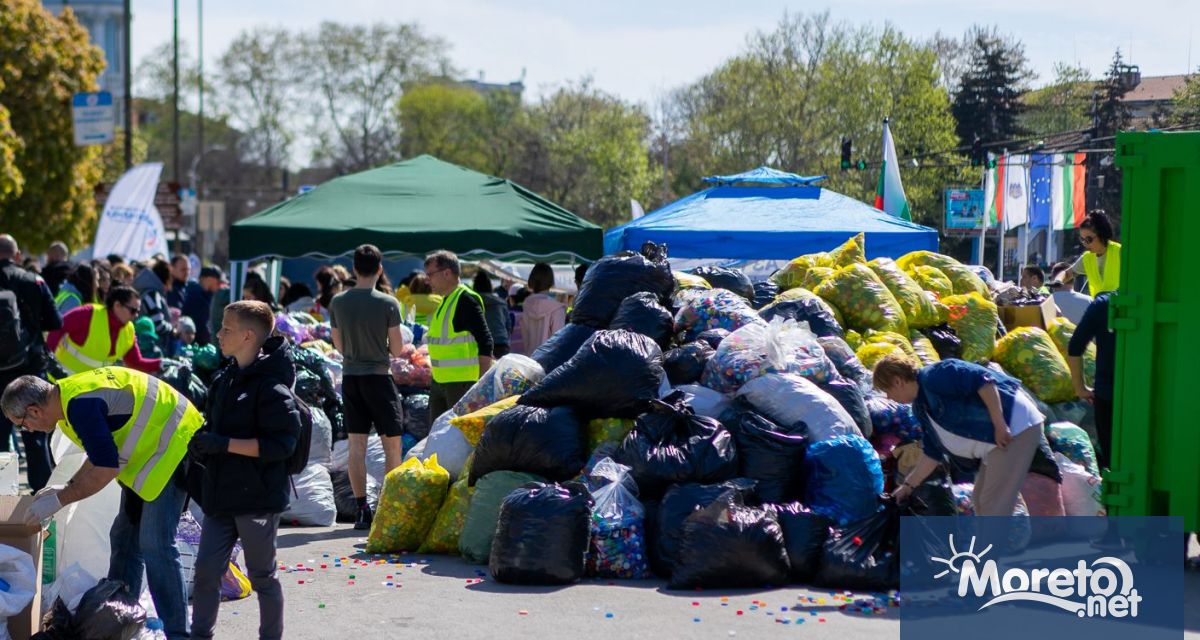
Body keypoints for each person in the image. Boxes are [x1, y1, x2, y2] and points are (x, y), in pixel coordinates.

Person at [0, 368, 203, 638]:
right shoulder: (68, 399)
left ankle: (178, 633)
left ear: (34, 411)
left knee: (156, 544)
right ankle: (119, 619)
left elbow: (105, 468)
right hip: (150, 453)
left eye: (22, 423)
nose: (27, 429)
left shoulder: (79, 406)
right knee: (123, 538)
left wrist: (61, 499)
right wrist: (68, 486)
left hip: (173, 446)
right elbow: (99, 456)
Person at [188, 301, 300, 640]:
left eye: (226, 328)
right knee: (206, 572)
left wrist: (223, 444)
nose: (218, 334)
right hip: (221, 496)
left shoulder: (272, 388)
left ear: (248, 335)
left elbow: (281, 446)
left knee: (263, 576)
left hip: (257, 499)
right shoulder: (225, 378)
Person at [875, 354, 1046, 516]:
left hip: (1016, 426)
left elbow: (984, 381)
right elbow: (932, 453)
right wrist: (907, 486)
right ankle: (993, 545)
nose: (889, 397)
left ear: (897, 381)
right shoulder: (920, 408)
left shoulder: (936, 375)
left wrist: (999, 424)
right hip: (994, 443)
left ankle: (993, 546)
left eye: (886, 390)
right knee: (979, 500)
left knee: (992, 503)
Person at [329, 245, 408, 530]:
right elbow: (397, 349)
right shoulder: (388, 303)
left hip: (351, 379)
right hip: (379, 378)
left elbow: (337, 344)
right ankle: (390, 508)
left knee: (356, 446)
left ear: (353, 268)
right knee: (392, 445)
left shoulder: (338, 302)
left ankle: (362, 508)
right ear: (380, 269)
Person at [0, 234, 62, 491]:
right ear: (16, 255)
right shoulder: (32, 280)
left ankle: (3, 498)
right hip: (29, 369)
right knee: (36, 437)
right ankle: (43, 500)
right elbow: (56, 322)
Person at [424, 250, 494, 419]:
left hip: (462, 384)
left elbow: (486, 342)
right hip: (441, 382)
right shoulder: (446, 301)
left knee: (459, 439)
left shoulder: (465, 300)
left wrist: (481, 386)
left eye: (430, 275)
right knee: (439, 436)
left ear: (446, 273)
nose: (427, 280)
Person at [47, 285, 161, 376]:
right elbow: (56, 330)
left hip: (89, 389)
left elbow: (135, 363)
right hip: (61, 383)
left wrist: (161, 364)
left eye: (138, 311)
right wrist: (49, 363)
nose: (136, 316)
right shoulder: (88, 314)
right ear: (117, 305)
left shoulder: (129, 329)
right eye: (133, 310)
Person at [1067, 291, 1116, 471]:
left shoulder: (1104, 304)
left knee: (1114, 460)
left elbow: (1075, 346)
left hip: (1108, 396)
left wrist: (1080, 387)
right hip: (1157, 400)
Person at [1052, 210, 1121, 297]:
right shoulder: (1087, 258)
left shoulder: (1120, 252)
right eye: (1082, 239)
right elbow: (1068, 273)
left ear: (1102, 235)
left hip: (1120, 308)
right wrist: (1058, 280)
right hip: (1099, 308)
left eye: (1088, 239)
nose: (1085, 243)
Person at [520, 262, 566, 355]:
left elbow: (524, 337)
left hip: (529, 360)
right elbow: (559, 342)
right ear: (551, 281)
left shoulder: (526, 305)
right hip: (549, 363)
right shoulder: (557, 308)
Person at [169, 255, 212, 345]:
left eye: (188, 269)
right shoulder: (169, 290)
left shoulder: (192, 287)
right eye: (183, 269)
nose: (187, 272)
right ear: (172, 269)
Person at [134, 259, 174, 352]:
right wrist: (174, 330)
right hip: (150, 349)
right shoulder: (152, 294)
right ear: (167, 277)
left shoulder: (149, 291)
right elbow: (158, 325)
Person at [473, 272, 510, 358]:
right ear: (489, 286)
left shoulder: (471, 302)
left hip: (480, 345)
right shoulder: (501, 302)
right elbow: (508, 326)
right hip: (501, 343)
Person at [200, 266, 229, 340]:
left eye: (202, 279)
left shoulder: (223, 294)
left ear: (211, 279)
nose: (201, 282)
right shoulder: (216, 294)